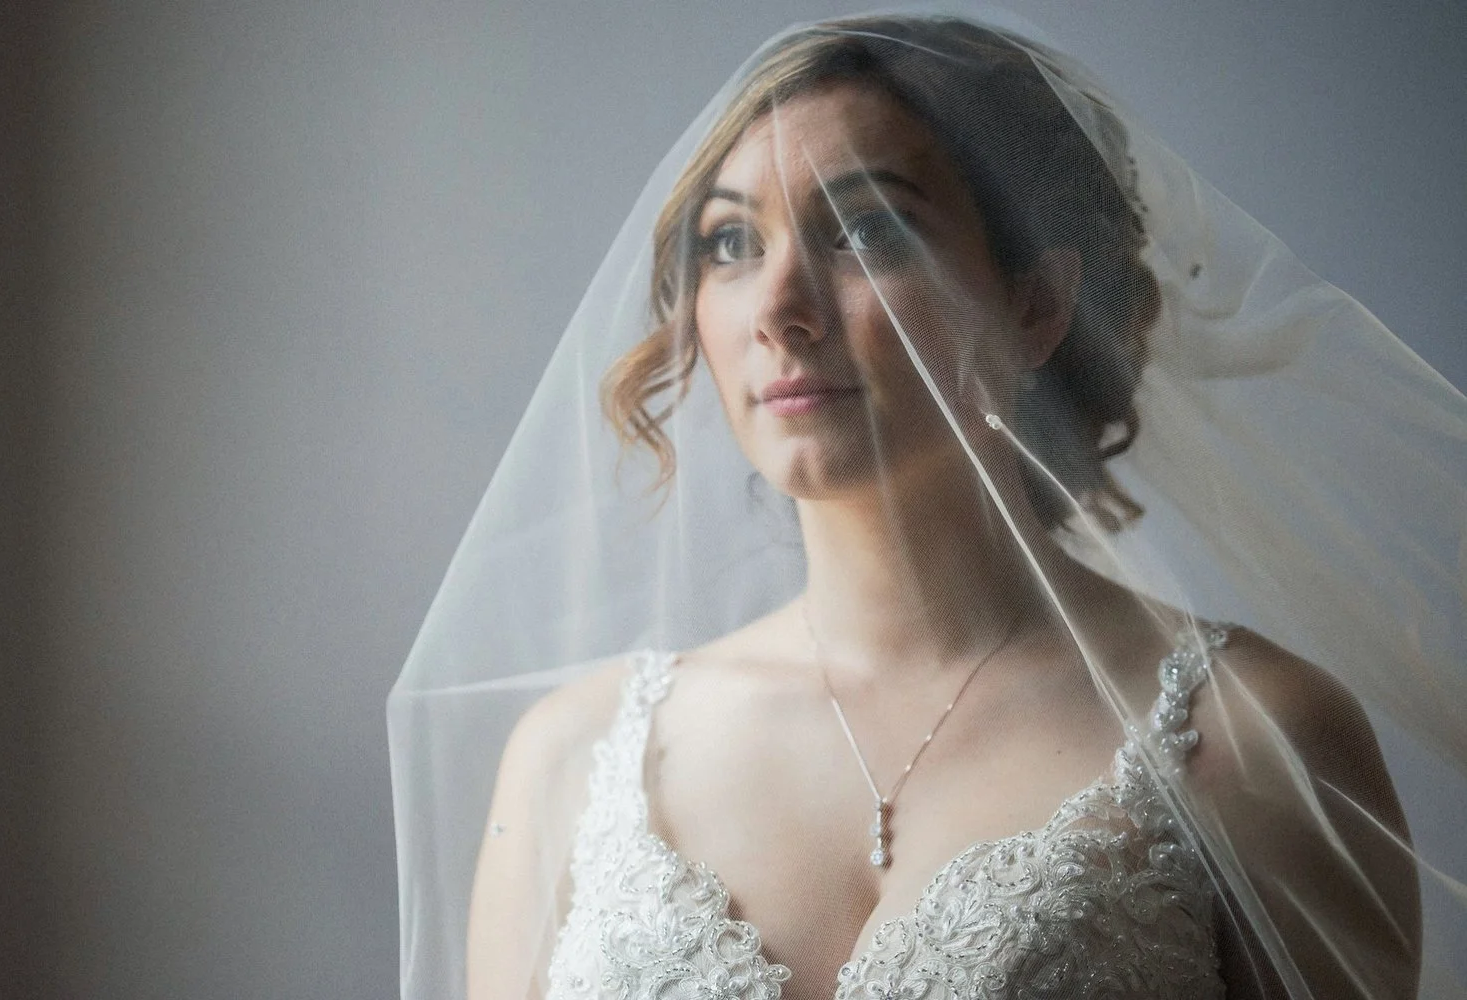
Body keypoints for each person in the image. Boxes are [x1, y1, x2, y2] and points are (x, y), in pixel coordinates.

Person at [389, 9, 1467, 1000]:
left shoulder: (1253, 740)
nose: (779, 309)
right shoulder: (570, 762)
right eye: (731, 242)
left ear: (1037, 303)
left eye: (865, 231)